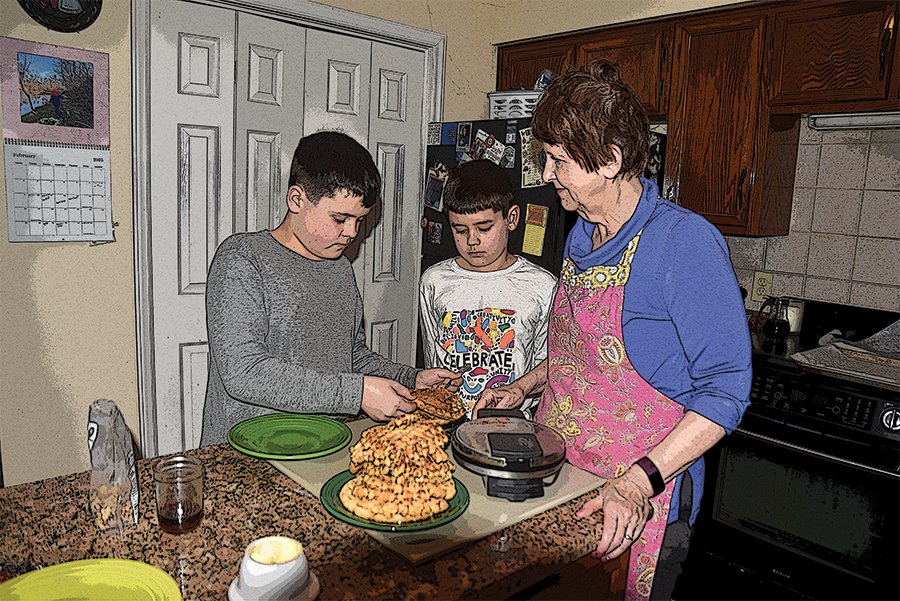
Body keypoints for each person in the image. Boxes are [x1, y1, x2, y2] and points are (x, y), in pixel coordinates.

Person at [473, 60, 751, 600]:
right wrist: (523, 387)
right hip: (563, 476)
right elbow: (584, 352)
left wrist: (639, 480)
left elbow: (727, 391)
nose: (547, 175)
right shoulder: (582, 230)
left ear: (609, 160)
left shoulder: (683, 244)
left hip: (639, 494)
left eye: (557, 160)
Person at [201, 131, 460, 446]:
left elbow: (350, 357)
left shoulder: (340, 269)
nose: (351, 232)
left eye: (359, 221)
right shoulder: (243, 258)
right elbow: (244, 373)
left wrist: (411, 378)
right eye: (340, 219)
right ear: (296, 199)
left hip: (325, 444)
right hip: (248, 454)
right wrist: (357, 393)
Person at [419, 160, 557, 418]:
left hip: (512, 423)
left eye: (484, 228)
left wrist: (521, 390)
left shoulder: (542, 285)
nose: (472, 240)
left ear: (511, 218)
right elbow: (432, 356)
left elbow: (550, 365)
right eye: (459, 230)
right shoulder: (434, 281)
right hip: (449, 419)